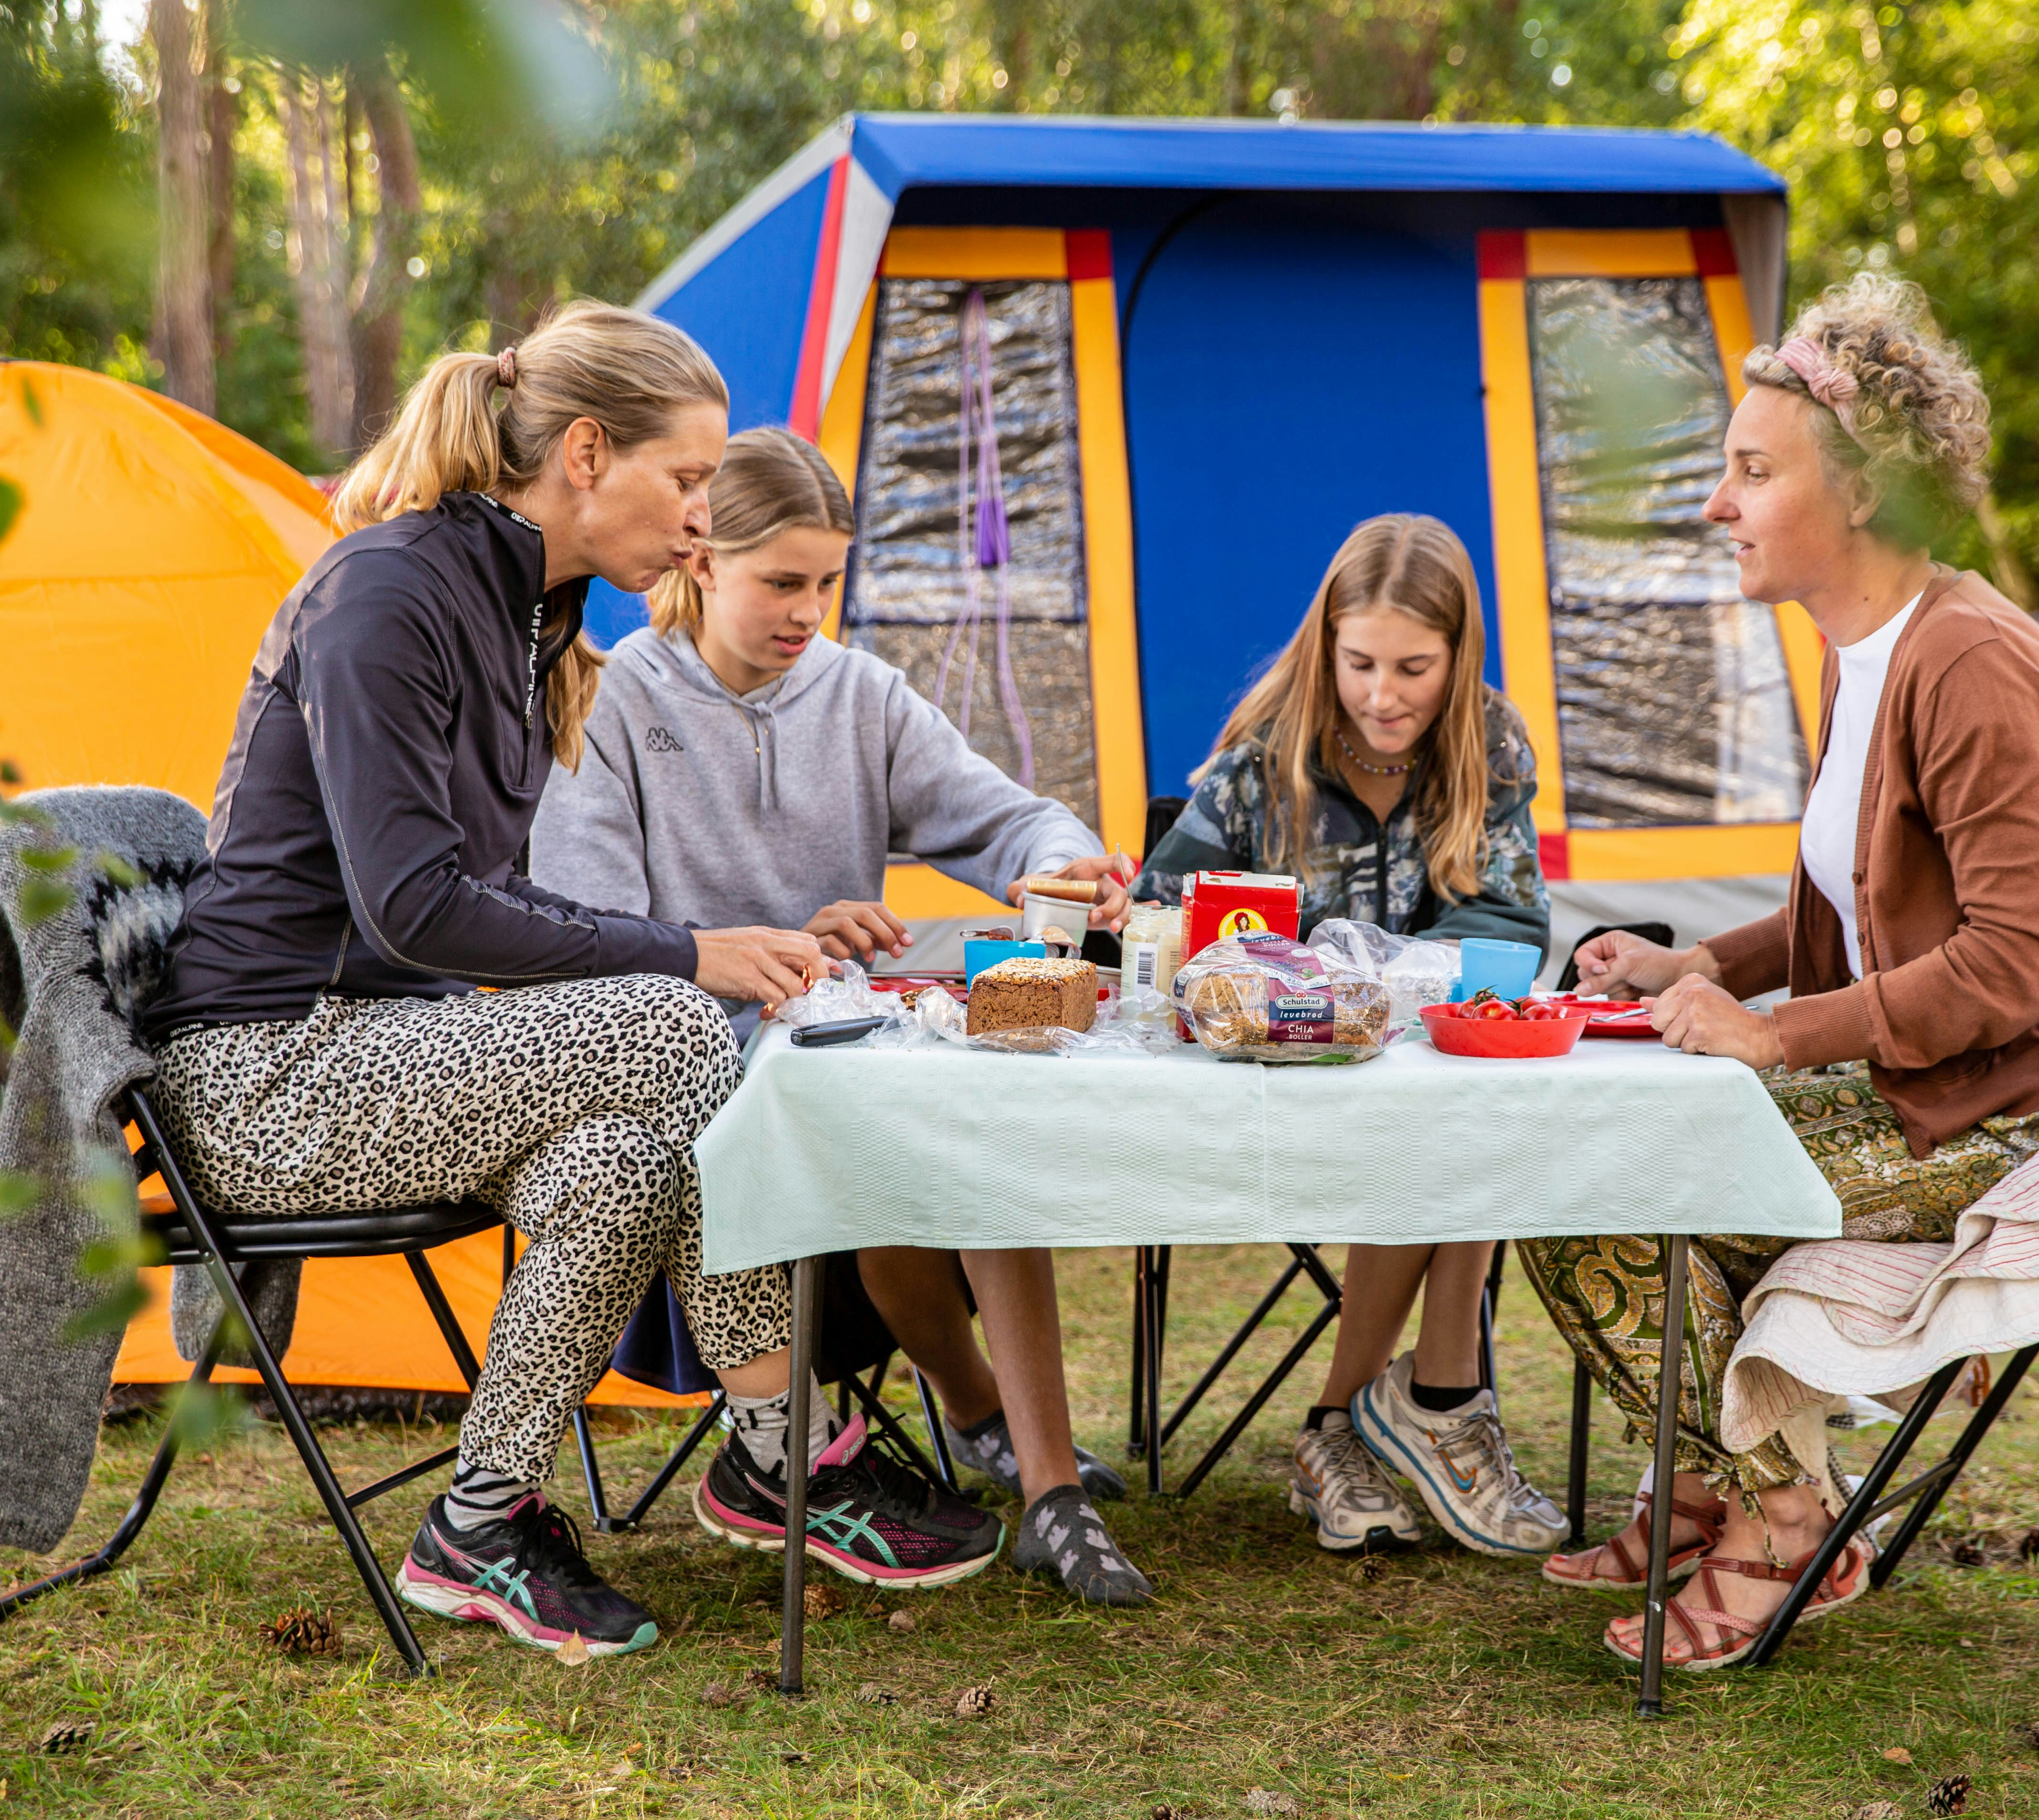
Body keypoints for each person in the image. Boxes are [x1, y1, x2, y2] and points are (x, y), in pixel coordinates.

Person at [137, 304, 1004, 1662]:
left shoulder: (522, 616)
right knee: (669, 1023)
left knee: (623, 1166)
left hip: (381, 1049)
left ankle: (479, 1519)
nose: (706, 521)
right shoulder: (388, 592)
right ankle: (785, 1451)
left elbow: (506, 896)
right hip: (264, 1074)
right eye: (690, 479)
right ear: (587, 453)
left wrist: (713, 937)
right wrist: (687, 951)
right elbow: (413, 905)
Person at [1533, 274, 2039, 1669]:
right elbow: (1841, 897)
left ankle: (1786, 1517)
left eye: (1749, 470)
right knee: (1568, 1150)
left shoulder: (1966, 662)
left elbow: (2017, 959)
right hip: (1910, 1080)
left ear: (1854, 492)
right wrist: (1700, 962)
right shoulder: (1855, 652)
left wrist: (1774, 1033)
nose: (1713, 504)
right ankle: (1703, 1490)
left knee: (1597, 1185)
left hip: (2004, 1117)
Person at [530, 426, 1152, 1605]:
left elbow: (1009, 821)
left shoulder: (860, 694)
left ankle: (1043, 1484)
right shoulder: (610, 705)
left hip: (846, 1059)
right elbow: (591, 940)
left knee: (975, 1097)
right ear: (702, 557)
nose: (807, 611)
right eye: (781, 581)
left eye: (826, 583)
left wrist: (1066, 865)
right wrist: (784, 952)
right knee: (901, 1117)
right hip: (694, 1082)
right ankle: (990, 1428)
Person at [1134, 513, 1567, 1560]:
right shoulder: (1258, 764)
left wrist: (1379, 975)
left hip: (1410, 1094)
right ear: (1323, 648)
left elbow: (1512, 925)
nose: (1382, 693)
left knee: (1455, 1102)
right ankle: (1425, 1399)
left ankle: (1352, 1423)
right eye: (1360, 661)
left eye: (1414, 666)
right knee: (1451, 1113)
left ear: (1459, 657)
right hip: (1266, 1096)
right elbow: (1160, 916)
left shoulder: (1489, 745)